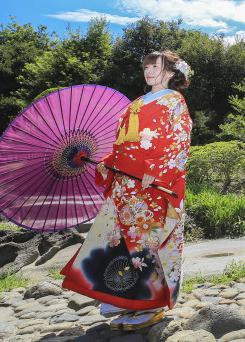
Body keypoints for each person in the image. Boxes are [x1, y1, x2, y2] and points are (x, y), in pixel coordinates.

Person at [61, 50, 193, 331]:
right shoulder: (136, 103)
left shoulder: (174, 100)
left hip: (153, 185)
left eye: (155, 66)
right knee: (119, 241)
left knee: (148, 241)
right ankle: (125, 300)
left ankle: (152, 303)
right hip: (127, 184)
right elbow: (122, 143)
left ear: (171, 71)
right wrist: (108, 162)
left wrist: (157, 169)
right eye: (145, 66)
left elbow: (179, 140)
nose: (148, 71)